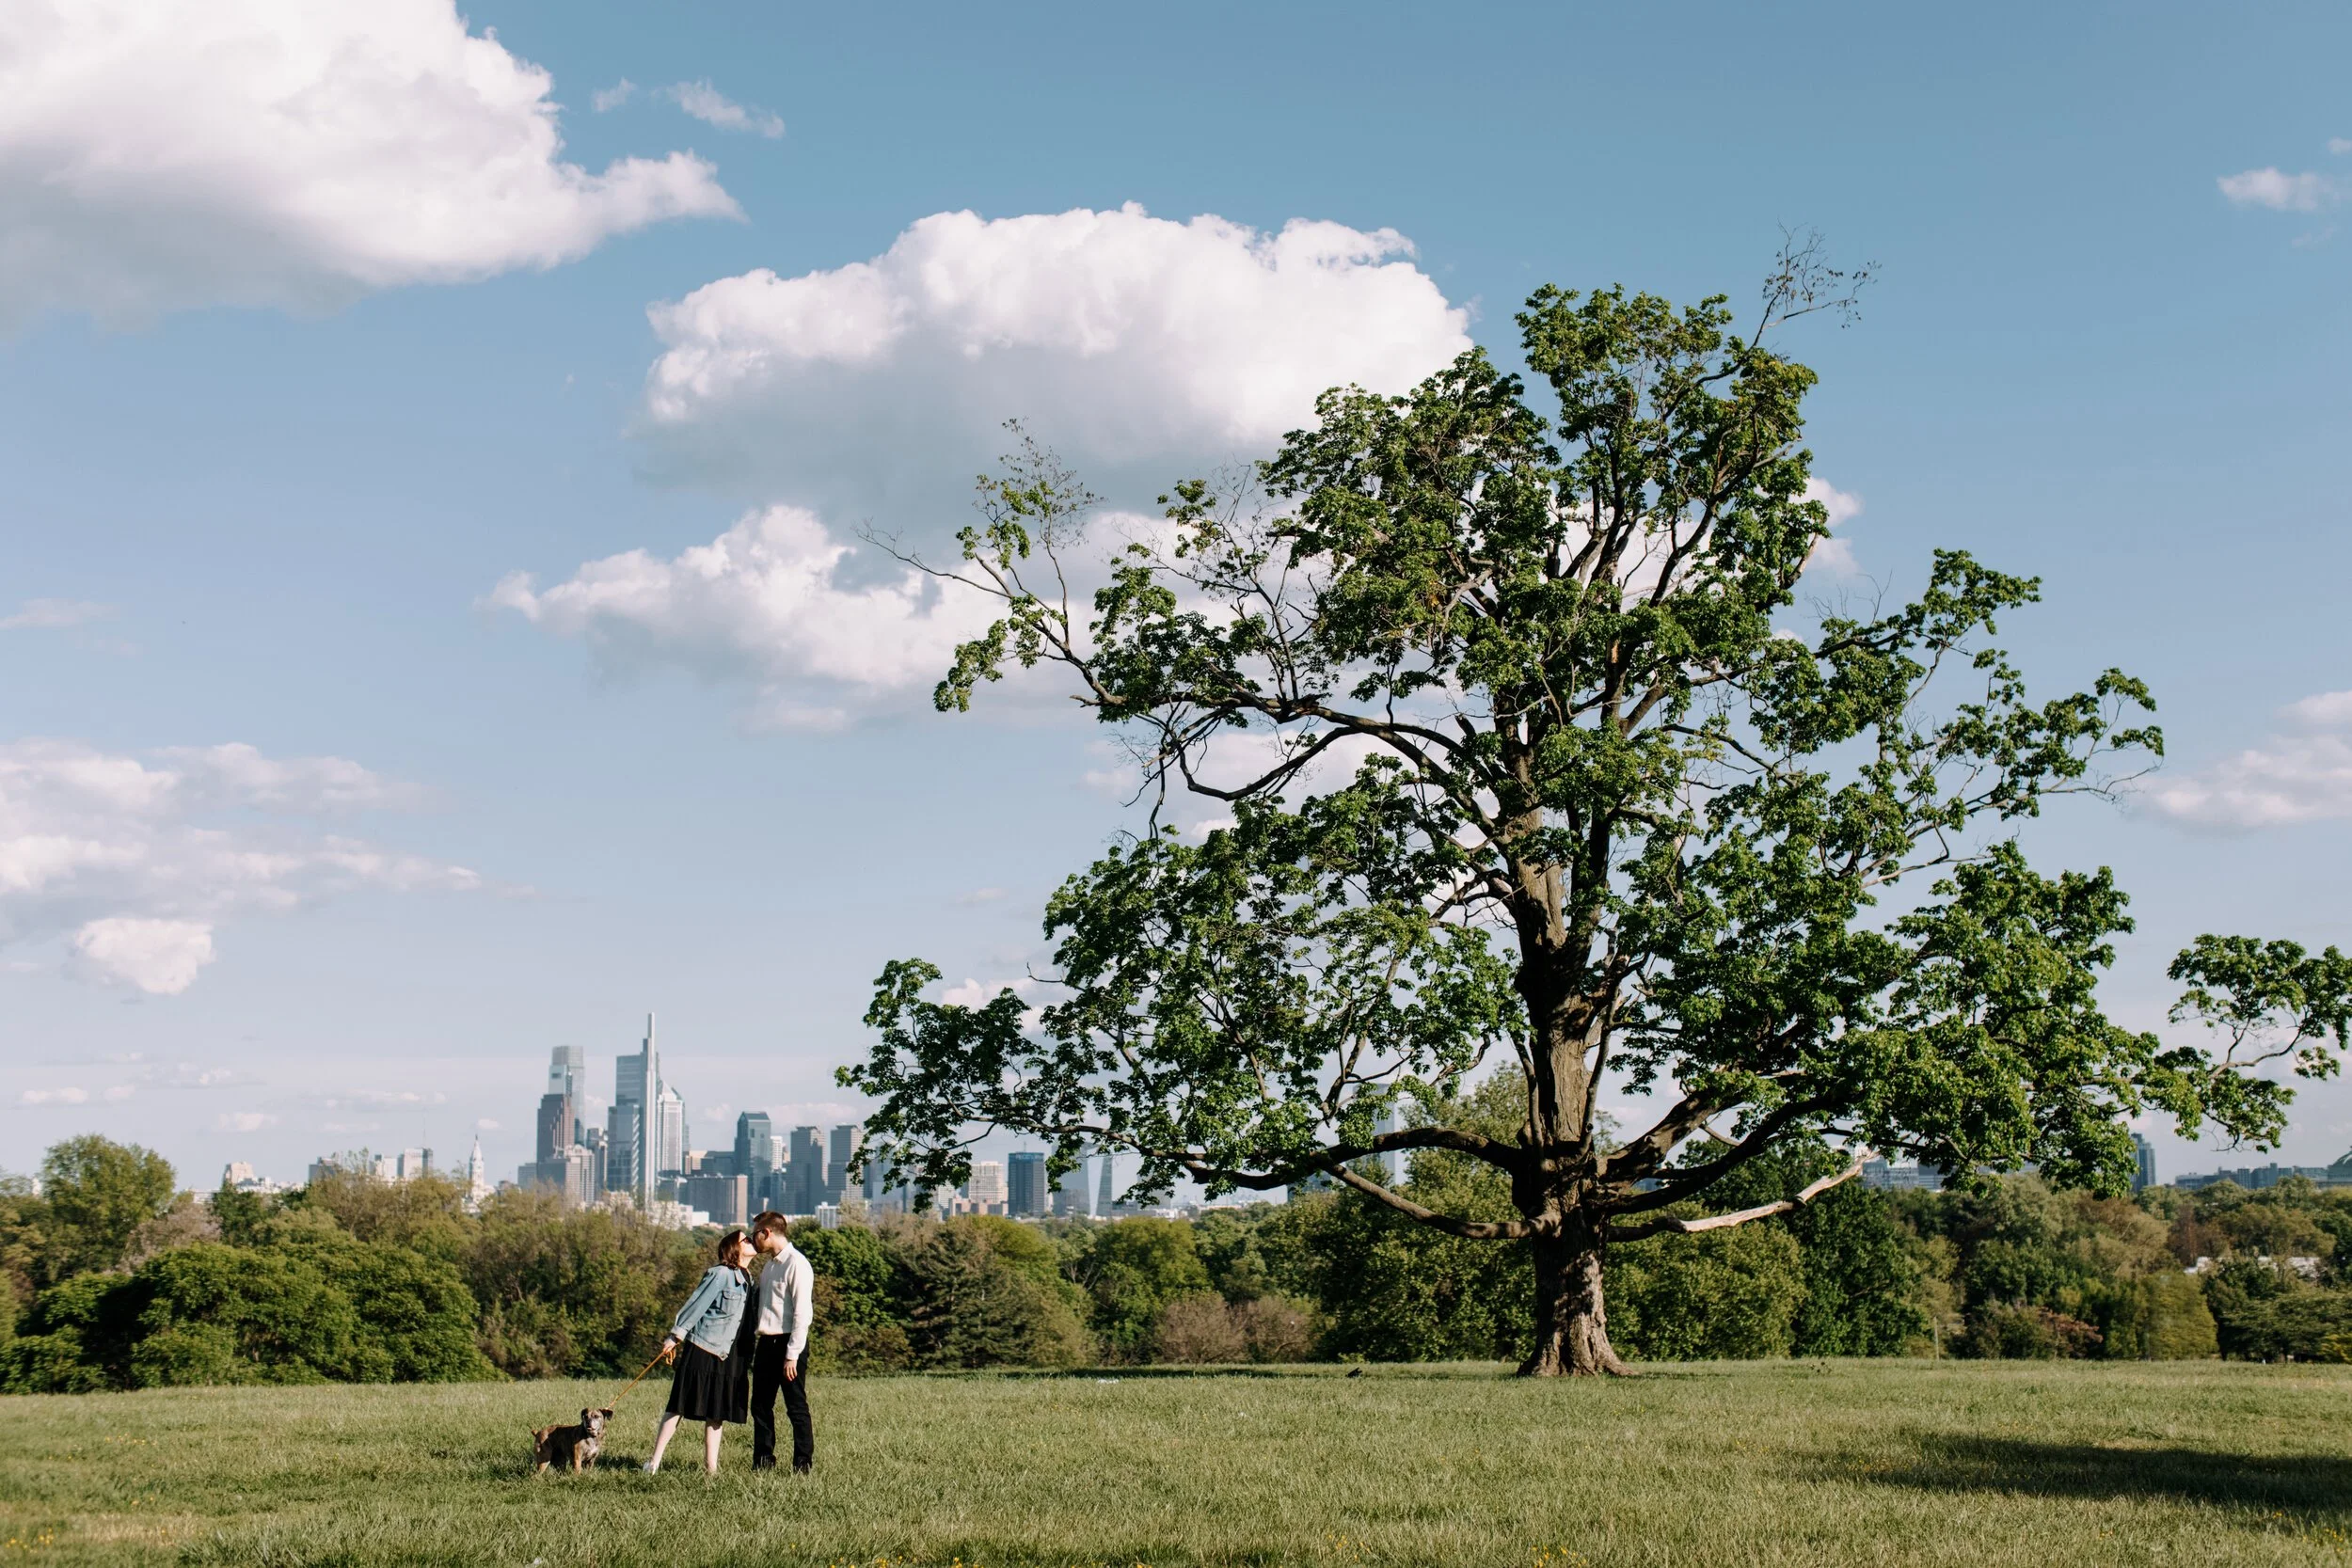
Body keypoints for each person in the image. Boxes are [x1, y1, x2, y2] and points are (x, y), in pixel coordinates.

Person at [644, 1227, 755, 1475]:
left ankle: (711, 1469)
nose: (751, 1241)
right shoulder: (720, 1274)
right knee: (679, 1405)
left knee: (717, 1413)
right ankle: (654, 1462)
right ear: (734, 1248)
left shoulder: (750, 1279)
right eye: (746, 1239)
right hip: (703, 1348)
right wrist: (675, 1335)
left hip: (729, 1354)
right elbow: (696, 1304)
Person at [747, 1209, 815, 1473]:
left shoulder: (797, 1264)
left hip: (788, 1344)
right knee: (761, 1406)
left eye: (756, 1235)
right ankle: (763, 1462)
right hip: (766, 1343)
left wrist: (793, 1353)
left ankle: (802, 1464)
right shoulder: (769, 1267)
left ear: (768, 1233)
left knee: (795, 1406)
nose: (754, 1241)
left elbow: (803, 1313)